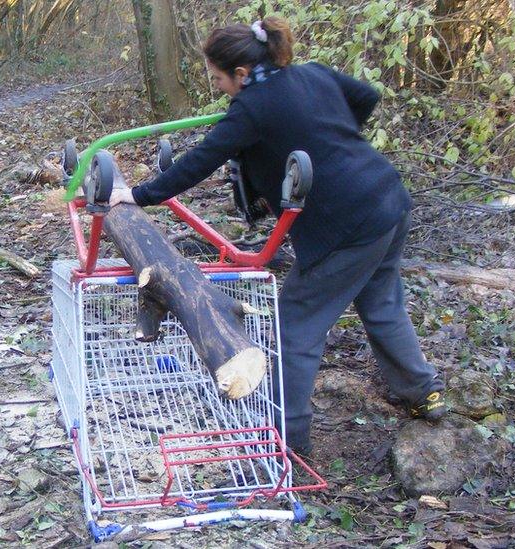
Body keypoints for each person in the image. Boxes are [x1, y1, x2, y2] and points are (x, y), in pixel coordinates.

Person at [108, 16, 446, 455]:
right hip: (387, 199)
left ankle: (287, 441)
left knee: (294, 327)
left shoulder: (252, 108)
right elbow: (366, 96)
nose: (218, 88)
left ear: (242, 74)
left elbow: (202, 160)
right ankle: (423, 393)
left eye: (218, 79)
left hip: (345, 225)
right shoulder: (312, 74)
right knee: (382, 302)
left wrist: (135, 195)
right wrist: (333, 141)